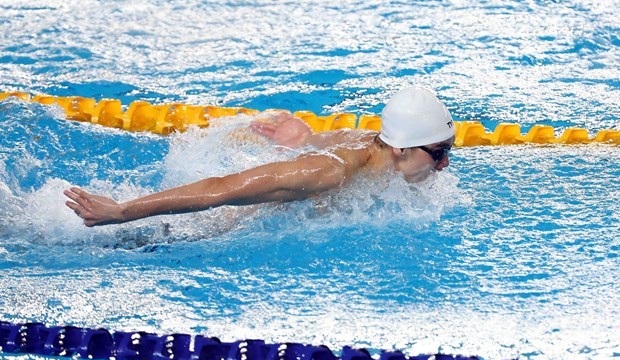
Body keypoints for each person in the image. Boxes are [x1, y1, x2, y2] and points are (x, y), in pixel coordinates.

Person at [65, 87, 456, 227]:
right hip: (199, 230)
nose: (445, 165)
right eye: (438, 154)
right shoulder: (330, 172)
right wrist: (122, 212)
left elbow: (330, 137)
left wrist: (304, 137)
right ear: (402, 146)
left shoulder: (370, 142)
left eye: (447, 151)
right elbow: (222, 188)